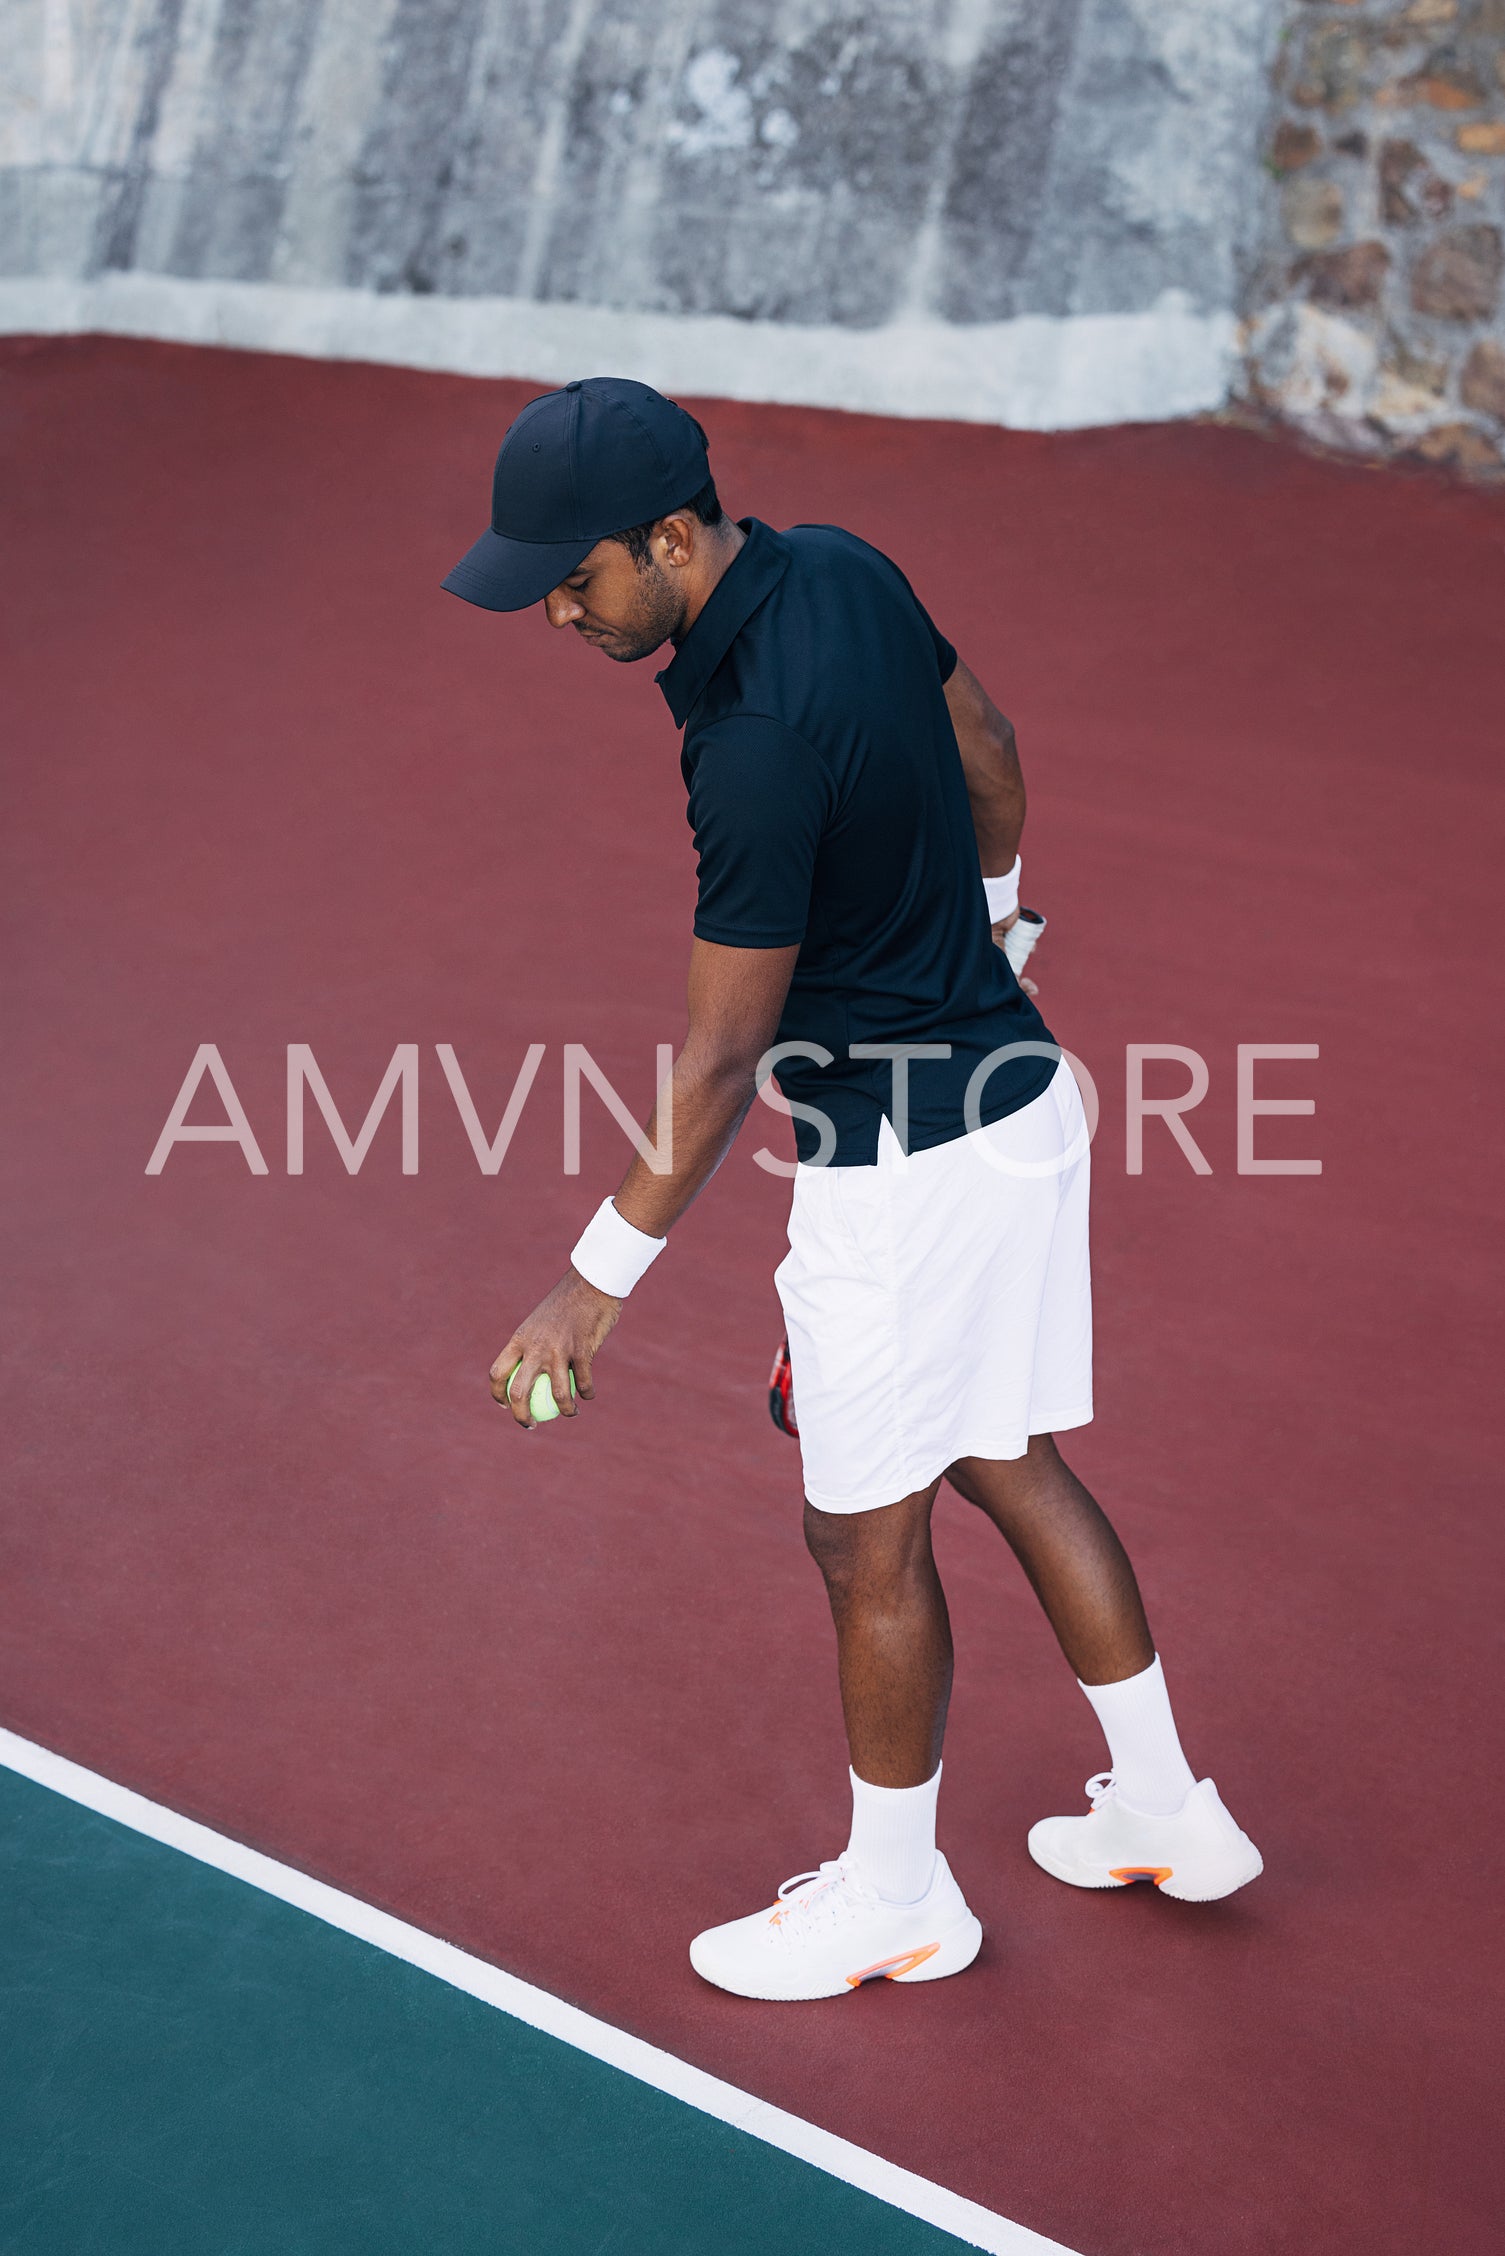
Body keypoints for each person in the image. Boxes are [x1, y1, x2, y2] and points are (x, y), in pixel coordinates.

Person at [443, 377, 1261, 2003]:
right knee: (1006, 1454)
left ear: (672, 537)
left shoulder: (742, 748)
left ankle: (896, 1898)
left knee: (859, 1543)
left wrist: (591, 1279)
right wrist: (1000, 934)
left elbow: (723, 1051)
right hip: (1021, 1108)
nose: (552, 606)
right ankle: (1170, 1807)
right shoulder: (843, 564)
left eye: (576, 573)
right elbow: (990, 746)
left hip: (905, 1182)